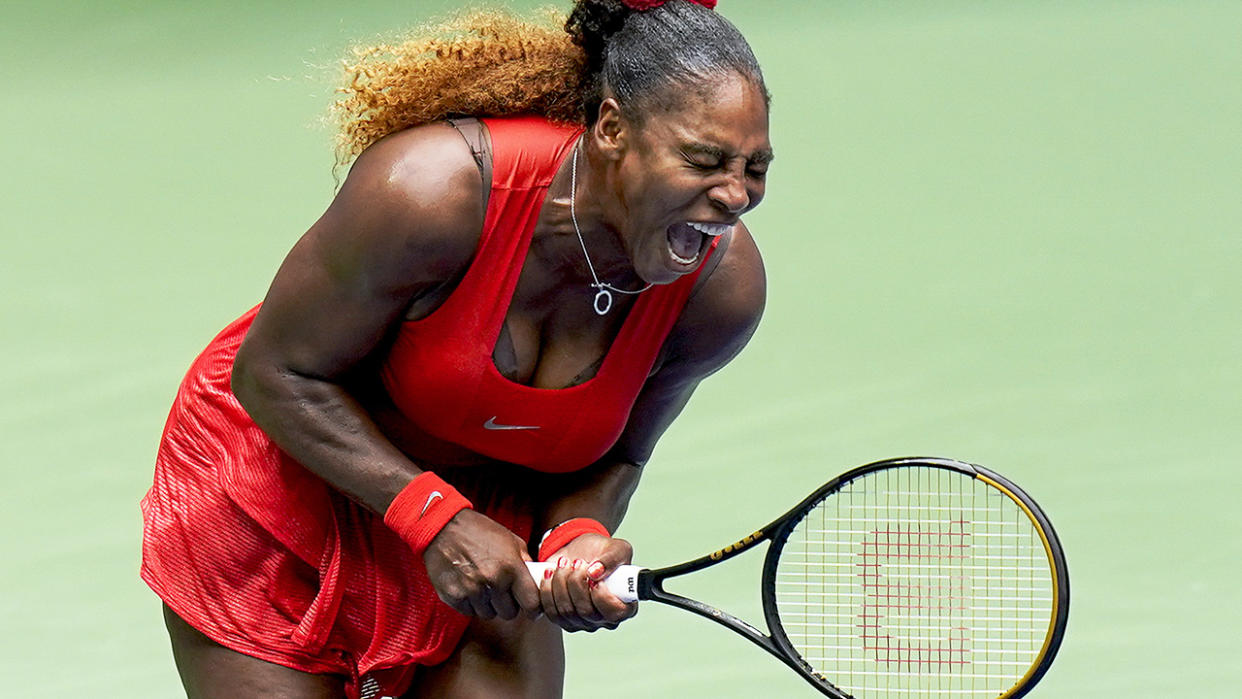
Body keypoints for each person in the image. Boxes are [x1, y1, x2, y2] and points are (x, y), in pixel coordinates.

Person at [140, 0, 773, 696]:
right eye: (705, 159)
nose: (737, 194)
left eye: (756, 167)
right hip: (290, 483)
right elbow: (273, 373)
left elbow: (623, 450)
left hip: (490, 521)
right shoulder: (430, 194)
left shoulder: (720, 292)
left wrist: (576, 535)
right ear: (613, 128)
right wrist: (432, 516)